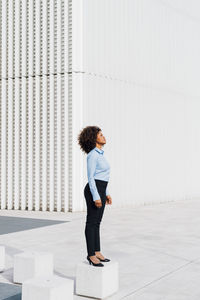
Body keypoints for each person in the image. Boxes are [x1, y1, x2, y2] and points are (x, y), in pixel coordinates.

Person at [77, 126, 112, 266]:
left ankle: (97, 251)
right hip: (94, 190)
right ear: (94, 138)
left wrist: (106, 193)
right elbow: (91, 178)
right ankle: (91, 254)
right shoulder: (93, 155)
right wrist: (96, 196)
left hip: (102, 189)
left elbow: (102, 176)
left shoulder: (101, 154)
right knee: (91, 222)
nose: (103, 136)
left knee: (97, 222)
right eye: (100, 134)